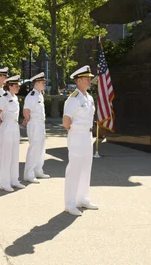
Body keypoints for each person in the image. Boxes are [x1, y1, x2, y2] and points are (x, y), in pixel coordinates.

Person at [63, 65, 98, 216]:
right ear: (78, 80)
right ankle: (70, 204)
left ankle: (82, 198)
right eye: (86, 78)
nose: (90, 80)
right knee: (74, 170)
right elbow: (66, 122)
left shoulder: (88, 97)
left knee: (85, 168)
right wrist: (76, 131)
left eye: (90, 78)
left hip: (87, 136)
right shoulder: (74, 98)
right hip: (77, 136)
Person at [0, 75, 25, 192]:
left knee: (14, 154)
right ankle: (5, 183)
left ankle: (14, 180)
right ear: (10, 86)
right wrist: (4, 123)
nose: (18, 87)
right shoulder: (4, 97)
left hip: (14, 126)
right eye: (16, 85)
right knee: (6, 156)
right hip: (7, 126)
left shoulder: (15, 98)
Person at [23, 72, 50, 183]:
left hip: (41, 124)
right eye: (43, 82)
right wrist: (28, 120)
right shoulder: (32, 96)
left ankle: (38, 170)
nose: (44, 84)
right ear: (37, 83)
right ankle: (28, 174)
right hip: (34, 123)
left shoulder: (40, 94)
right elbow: (26, 111)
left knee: (41, 148)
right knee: (34, 148)